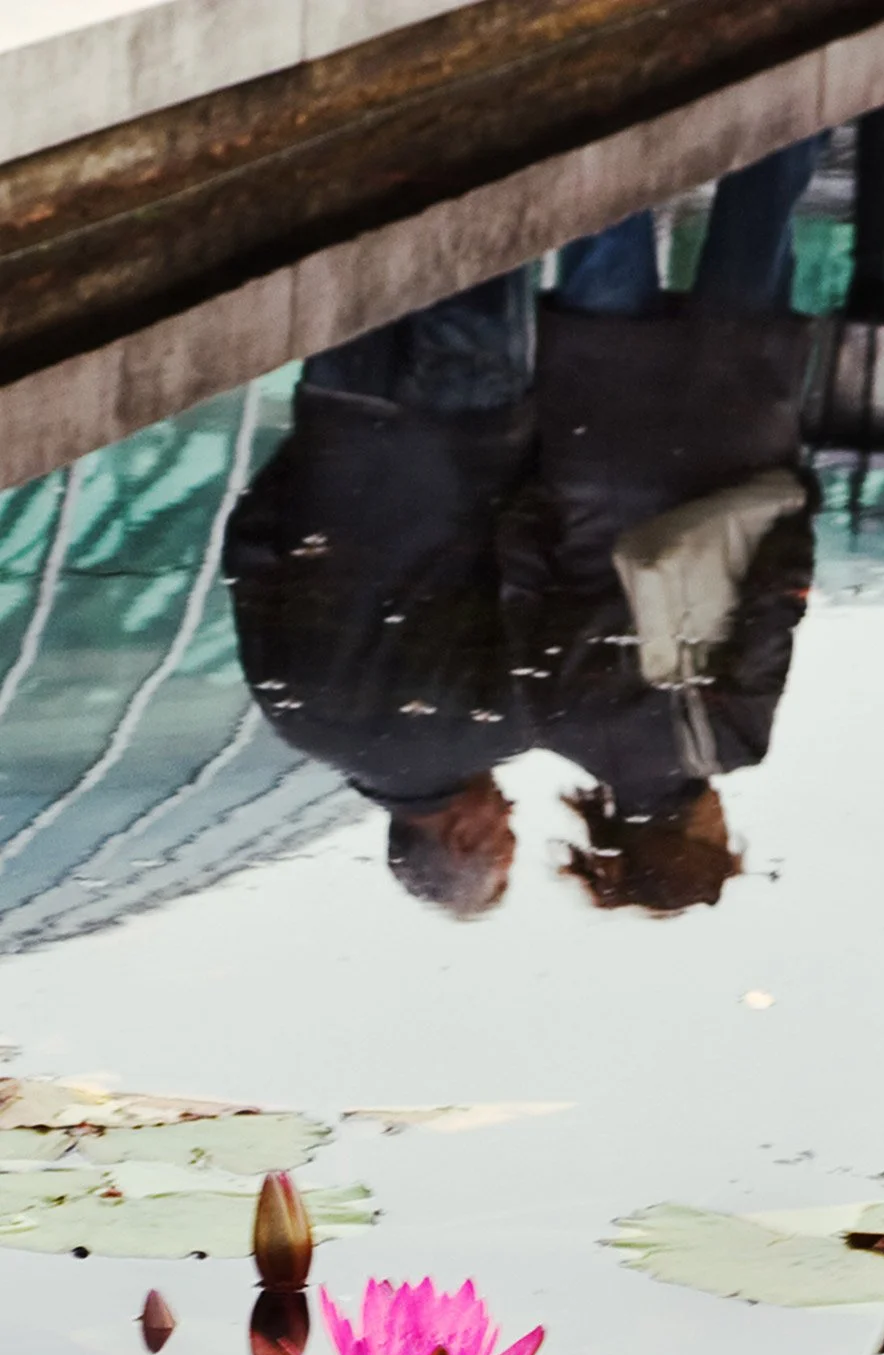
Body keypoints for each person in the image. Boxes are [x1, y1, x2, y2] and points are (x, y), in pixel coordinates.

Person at [225, 135, 825, 917]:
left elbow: (533, 572)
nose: (510, 811)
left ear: (462, 838)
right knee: (397, 202)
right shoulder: (296, 719)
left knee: (541, 203)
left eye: (502, 835)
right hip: (347, 413)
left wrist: (559, 475)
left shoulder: (517, 721)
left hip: (503, 433)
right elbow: (251, 548)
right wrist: (319, 456)